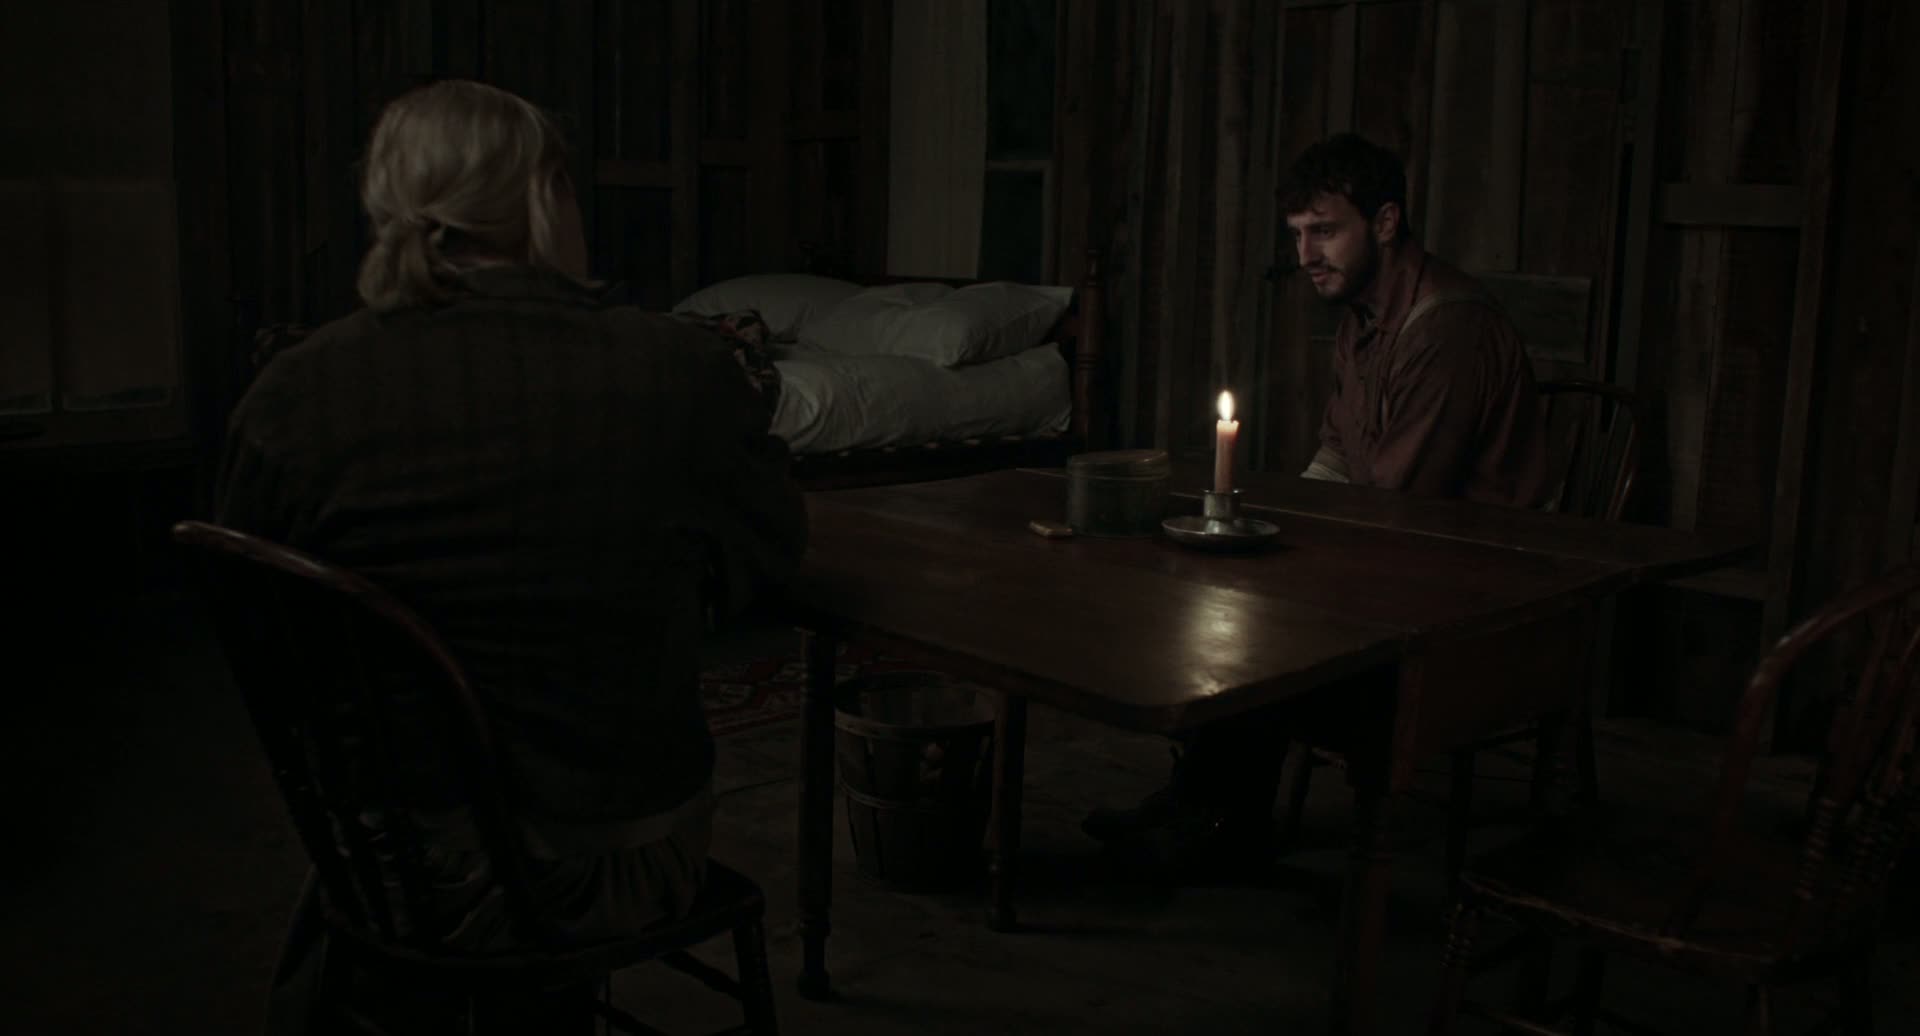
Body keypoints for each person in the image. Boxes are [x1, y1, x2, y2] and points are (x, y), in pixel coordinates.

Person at [216, 80, 806, 1028]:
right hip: (605, 859)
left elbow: (264, 625)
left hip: (388, 860)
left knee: (395, 844)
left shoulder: (292, 392)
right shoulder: (674, 370)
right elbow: (772, 552)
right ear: (545, 196)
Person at [1083, 133, 1551, 876]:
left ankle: (1218, 823)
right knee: (1230, 593)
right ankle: (1201, 804)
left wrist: (1287, 562)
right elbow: (1335, 456)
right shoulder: (1363, 318)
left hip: (1465, 594)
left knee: (1266, 627)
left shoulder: (1446, 327)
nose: (1306, 254)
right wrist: (1264, 537)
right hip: (1392, 560)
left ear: (1386, 222)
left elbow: (1399, 504)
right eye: (1297, 234)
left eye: (1325, 231)